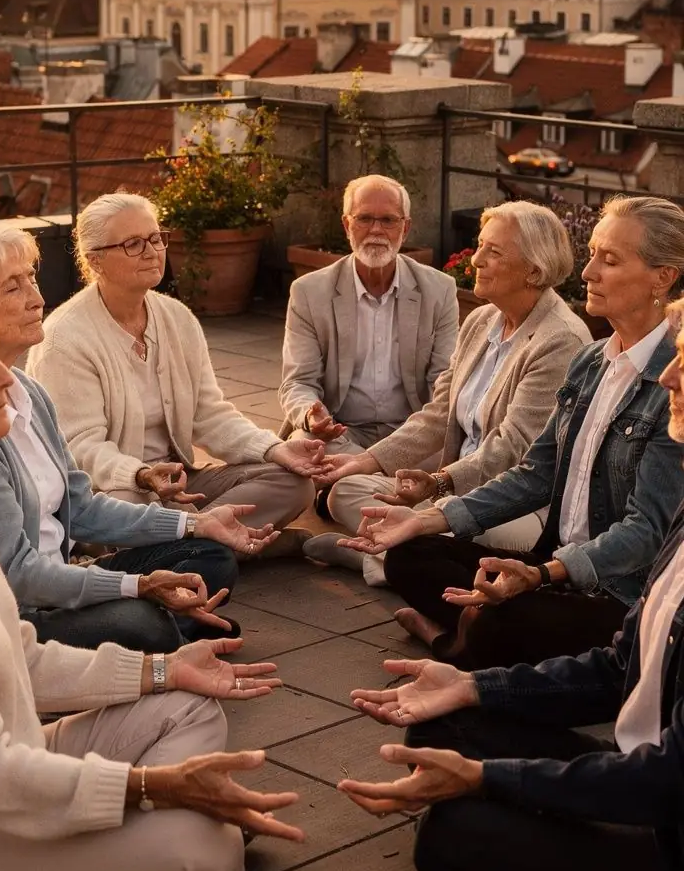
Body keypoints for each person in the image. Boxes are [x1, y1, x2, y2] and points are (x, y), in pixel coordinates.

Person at [0, 279, 302, 871]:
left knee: (186, 703)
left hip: (7, 790)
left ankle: (115, 862)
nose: (7, 378)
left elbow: (20, 656)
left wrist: (163, 669)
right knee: (207, 850)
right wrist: (152, 788)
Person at [337, 294, 684, 871]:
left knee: (458, 832)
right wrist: (475, 689)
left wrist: (488, 780)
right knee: (445, 721)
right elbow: (616, 669)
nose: (667, 377)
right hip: (639, 771)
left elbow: (670, 780)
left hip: (672, 841)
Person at [338, 196, 684, 668]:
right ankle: (473, 632)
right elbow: (535, 473)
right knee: (408, 553)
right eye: (592, 256)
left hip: (616, 592)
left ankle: (456, 640)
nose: (587, 274)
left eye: (610, 260)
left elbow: (645, 533)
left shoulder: (672, 382)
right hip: (552, 562)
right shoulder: (592, 361)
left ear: (662, 277)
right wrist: (428, 517)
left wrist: (540, 575)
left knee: (496, 621)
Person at [0, 224, 277, 654]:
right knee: (144, 624)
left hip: (64, 572)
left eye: (31, 277)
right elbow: (18, 576)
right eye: (14, 287)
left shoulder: (28, 391)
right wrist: (135, 586)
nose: (37, 297)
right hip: (22, 611)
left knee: (210, 555)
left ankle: (169, 634)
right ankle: (168, 636)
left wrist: (196, 522)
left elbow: (80, 504)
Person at [28, 192, 327, 555]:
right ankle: (228, 544)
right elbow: (79, 450)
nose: (152, 251)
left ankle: (192, 546)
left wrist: (276, 449)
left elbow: (209, 415)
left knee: (293, 482)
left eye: (156, 238)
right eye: (133, 244)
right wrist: (140, 475)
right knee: (125, 506)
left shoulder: (177, 318)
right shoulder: (65, 338)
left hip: (181, 481)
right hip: (115, 489)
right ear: (96, 261)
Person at [310, 202, 590, 577]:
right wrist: (366, 462)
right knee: (348, 488)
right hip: (451, 485)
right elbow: (438, 412)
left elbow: (513, 449)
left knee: (434, 524)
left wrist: (441, 484)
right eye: (480, 245)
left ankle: (378, 560)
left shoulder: (560, 341)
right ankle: (405, 550)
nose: (475, 260)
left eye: (494, 252)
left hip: (515, 505)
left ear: (533, 271)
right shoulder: (481, 319)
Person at [278, 175, 459, 459]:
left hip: (411, 433)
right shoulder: (309, 292)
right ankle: (377, 482)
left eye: (388, 220)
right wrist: (312, 416)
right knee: (305, 445)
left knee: (457, 453)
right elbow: (298, 382)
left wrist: (422, 435)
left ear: (406, 228)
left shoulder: (440, 290)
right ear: (347, 225)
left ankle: (349, 482)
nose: (376, 230)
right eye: (364, 219)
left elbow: (444, 380)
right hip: (340, 430)